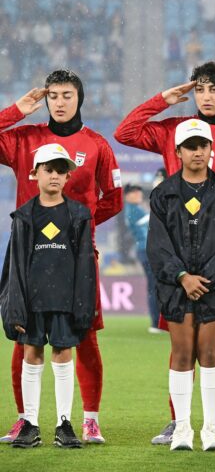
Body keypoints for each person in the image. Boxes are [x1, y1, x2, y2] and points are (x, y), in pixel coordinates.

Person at [114, 61, 215, 445]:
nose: (206, 95)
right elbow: (125, 132)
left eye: (213, 88)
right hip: (179, 254)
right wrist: (163, 100)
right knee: (182, 340)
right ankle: (179, 421)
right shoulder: (174, 130)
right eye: (199, 89)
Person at [0, 70, 122, 444]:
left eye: (67, 95)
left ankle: (89, 419)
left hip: (77, 255)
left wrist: (76, 228)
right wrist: (16, 111)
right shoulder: (25, 137)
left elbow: (113, 198)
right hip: (28, 254)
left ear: (79, 98)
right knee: (25, 335)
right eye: (52, 95)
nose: (59, 101)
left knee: (83, 336)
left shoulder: (97, 144)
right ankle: (26, 420)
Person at [146, 119, 215, 451]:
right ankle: (184, 429)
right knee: (183, 353)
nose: (198, 152)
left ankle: (212, 429)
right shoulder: (163, 193)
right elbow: (158, 244)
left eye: (203, 145)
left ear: (210, 149)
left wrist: (207, 278)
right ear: (178, 152)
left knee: (211, 352)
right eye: (190, 146)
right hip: (176, 286)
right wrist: (182, 277)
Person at [0, 144, 96, 448]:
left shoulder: (79, 214)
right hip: (32, 300)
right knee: (31, 354)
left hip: (65, 300)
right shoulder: (24, 215)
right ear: (34, 174)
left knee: (63, 354)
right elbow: (14, 266)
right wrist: (14, 306)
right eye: (48, 169)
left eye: (61, 170)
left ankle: (64, 423)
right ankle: (30, 422)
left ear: (68, 176)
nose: (55, 175)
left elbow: (85, 265)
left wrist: (84, 305)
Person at [123, 184, 160, 333]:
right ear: (127, 195)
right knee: (154, 286)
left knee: (153, 286)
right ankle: (156, 322)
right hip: (147, 251)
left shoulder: (132, 210)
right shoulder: (134, 210)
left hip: (144, 250)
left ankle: (157, 322)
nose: (138, 194)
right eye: (134, 192)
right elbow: (156, 220)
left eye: (139, 192)